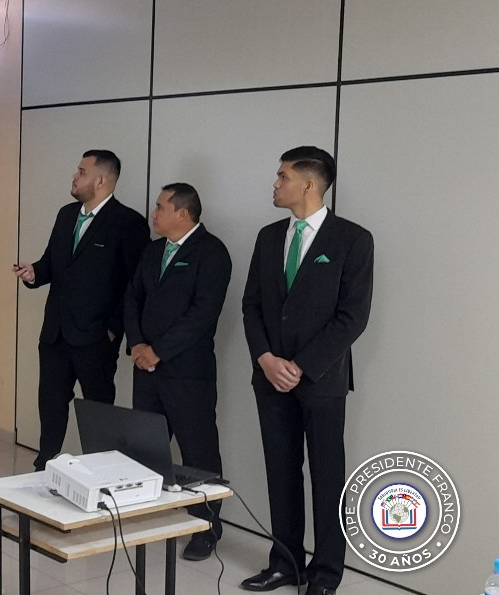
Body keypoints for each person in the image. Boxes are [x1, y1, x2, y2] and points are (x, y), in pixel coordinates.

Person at [240, 147, 374, 595]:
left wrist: (299, 366)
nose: (275, 184)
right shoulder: (267, 236)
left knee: (327, 477)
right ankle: (285, 564)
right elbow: (251, 305)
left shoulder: (353, 239)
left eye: (282, 176)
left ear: (309, 184)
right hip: (269, 377)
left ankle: (326, 574)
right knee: (281, 472)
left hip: (320, 380)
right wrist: (265, 359)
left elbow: (352, 317)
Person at [14, 149, 149, 471]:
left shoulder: (128, 223)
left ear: (101, 180)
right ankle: (44, 465)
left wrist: (114, 329)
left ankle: (101, 471)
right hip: (56, 332)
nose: (75, 177)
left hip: (96, 337)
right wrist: (35, 273)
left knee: (98, 410)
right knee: (50, 403)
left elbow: (136, 285)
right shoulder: (66, 215)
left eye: (81, 172)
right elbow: (52, 262)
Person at [123, 183, 231, 562]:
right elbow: (132, 297)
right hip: (146, 370)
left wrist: (159, 351)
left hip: (188, 373)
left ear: (182, 213)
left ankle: (205, 527)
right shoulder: (153, 250)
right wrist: (137, 345)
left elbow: (202, 316)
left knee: (198, 452)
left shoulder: (212, 253)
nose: (153, 214)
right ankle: (146, 516)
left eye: (159, 207)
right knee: (145, 449)